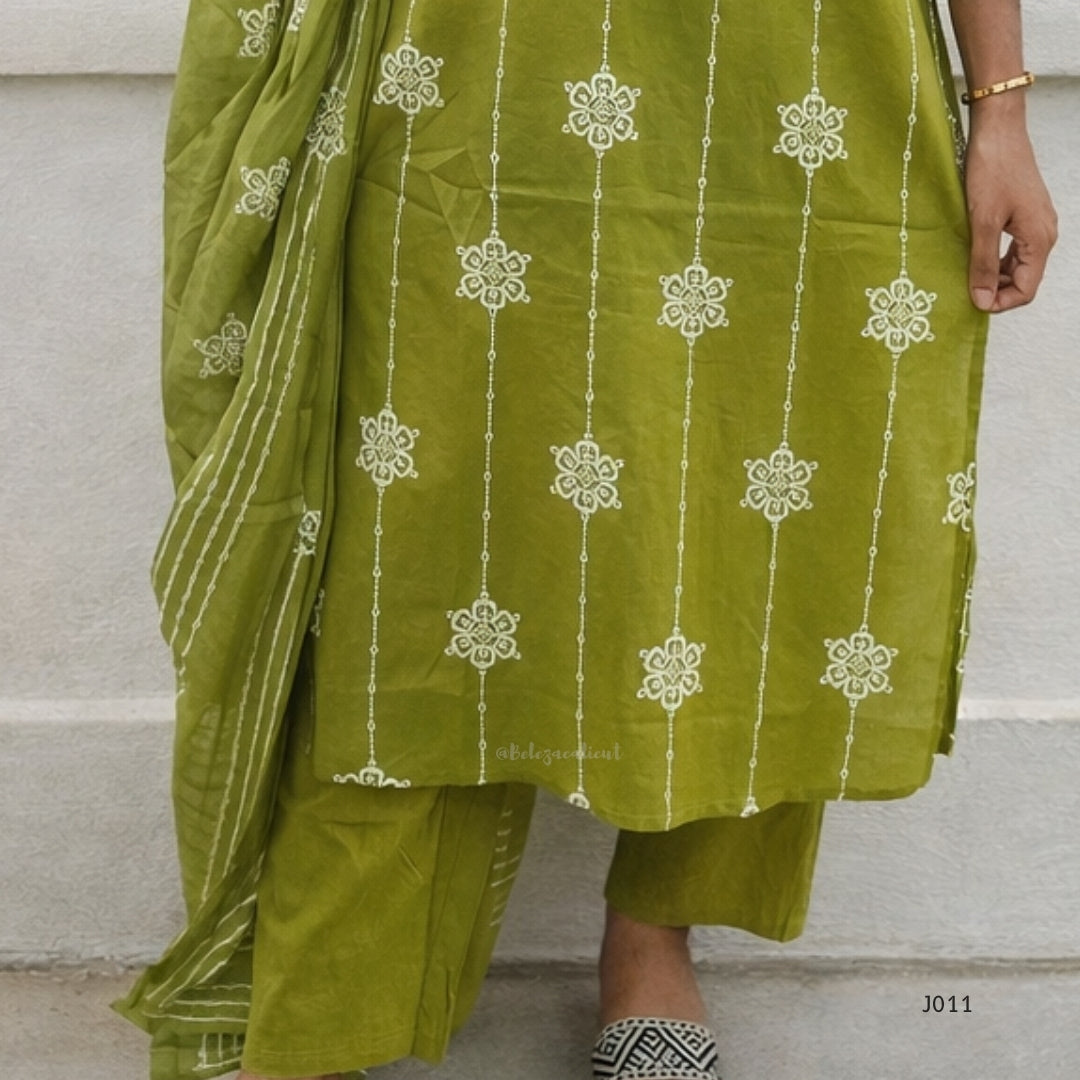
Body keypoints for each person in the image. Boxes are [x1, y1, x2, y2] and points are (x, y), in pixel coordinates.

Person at [115, 1, 1056, 1078]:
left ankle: (653, 944)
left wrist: (1002, 109)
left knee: (772, 480)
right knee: (427, 532)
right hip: (474, 60)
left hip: (804, 65)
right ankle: (332, 1000)